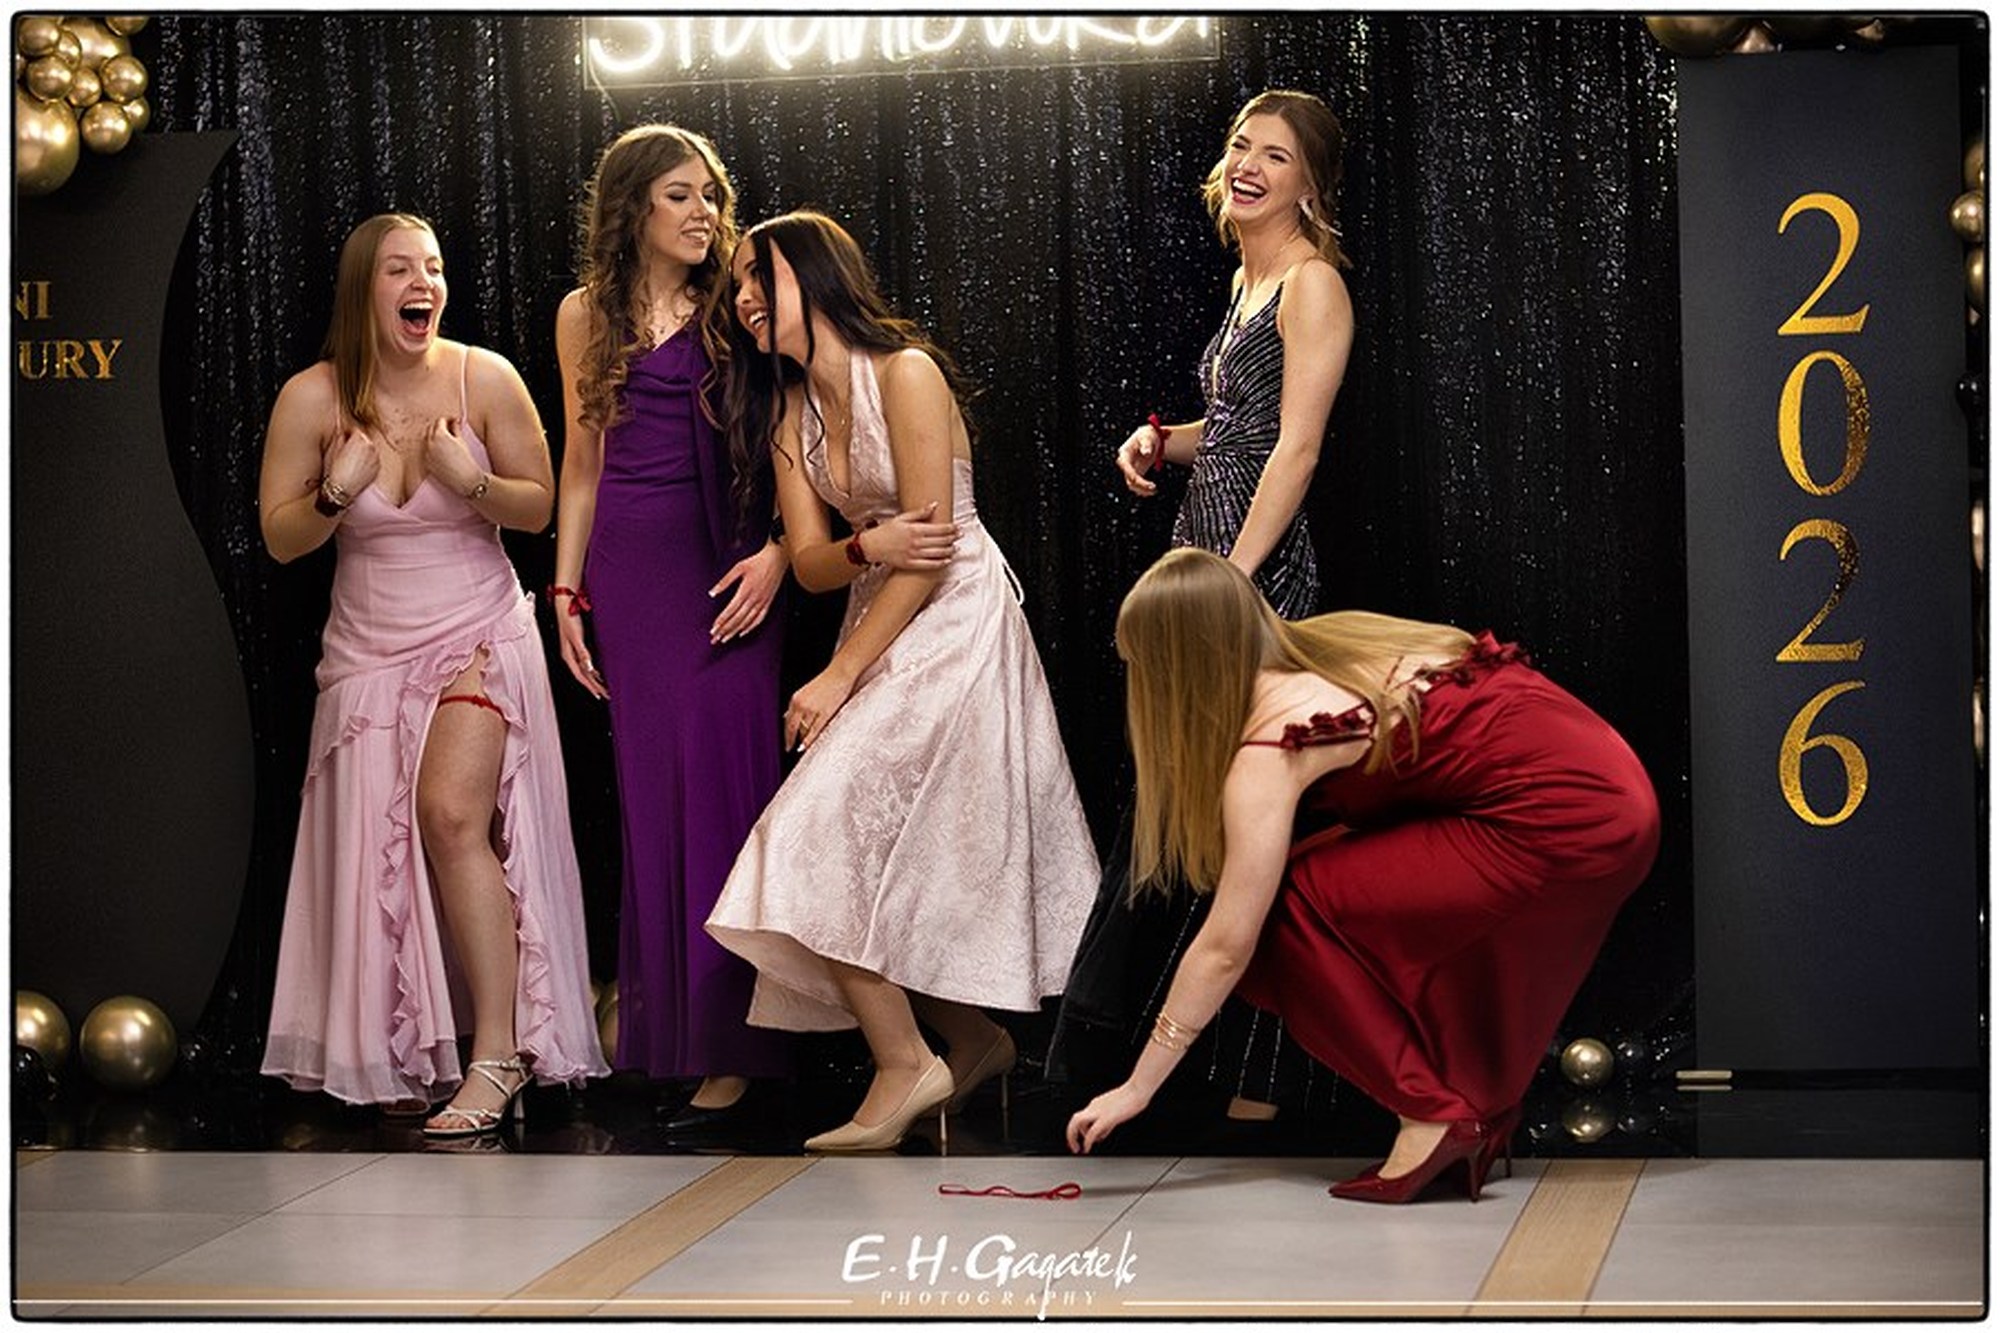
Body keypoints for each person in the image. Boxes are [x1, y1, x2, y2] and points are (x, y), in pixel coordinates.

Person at [1066, 549, 1659, 1203]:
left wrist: (1138, 1087)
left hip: (1565, 821)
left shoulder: (1269, 744)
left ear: (1179, 669)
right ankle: (1469, 1110)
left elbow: (1225, 945)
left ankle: (1430, 1113)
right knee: (1328, 879)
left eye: (1140, 667)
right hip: (1617, 791)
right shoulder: (1346, 647)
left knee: (1289, 911)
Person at [706, 211, 1099, 1151]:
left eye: (759, 276)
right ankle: (971, 1043)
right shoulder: (791, 414)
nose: (744, 298)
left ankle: (903, 1062)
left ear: (814, 275)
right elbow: (811, 565)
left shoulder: (907, 373)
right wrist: (864, 545)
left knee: (829, 833)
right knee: (864, 852)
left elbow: (932, 552)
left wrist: (840, 672)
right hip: (875, 616)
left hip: (957, 620)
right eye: (738, 284)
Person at [259, 214, 607, 1136]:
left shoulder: (482, 376)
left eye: (435, 268)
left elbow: (539, 507)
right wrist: (336, 491)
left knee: (452, 815)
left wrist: (471, 480)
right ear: (362, 290)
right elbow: (281, 538)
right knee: (382, 848)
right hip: (367, 651)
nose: (425, 283)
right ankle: (409, 1050)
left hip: (477, 628)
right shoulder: (312, 397)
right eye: (400, 270)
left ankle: (499, 1052)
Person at [1054, 88, 1357, 1115]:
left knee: (1245, 814)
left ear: (1309, 184)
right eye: (1240, 146)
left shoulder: (1311, 283)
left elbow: (1296, 449)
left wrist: (1235, 574)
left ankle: (1259, 1076)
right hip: (1208, 557)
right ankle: (1179, 1063)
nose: (1248, 166)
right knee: (1193, 807)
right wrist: (1159, 439)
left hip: (1251, 578)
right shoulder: (1246, 279)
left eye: (1275, 155)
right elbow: (1232, 429)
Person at [551, 125, 791, 1128]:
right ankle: (684, 1042)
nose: (703, 213)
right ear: (633, 207)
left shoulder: (737, 301)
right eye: (680, 195)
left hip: (727, 566)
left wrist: (782, 549)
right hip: (630, 578)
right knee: (656, 807)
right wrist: (565, 593)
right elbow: (581, 463)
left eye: (710, 195)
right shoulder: (583, 313)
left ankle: (741, 1047)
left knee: (729, 799)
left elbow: (799, 431)